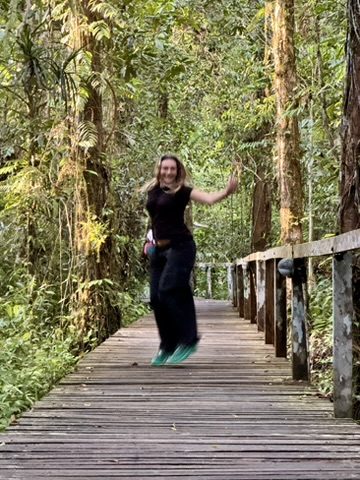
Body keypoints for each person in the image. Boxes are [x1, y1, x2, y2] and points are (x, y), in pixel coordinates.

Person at [143, 154, 238, 366]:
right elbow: (156, 219)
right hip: (158, 249)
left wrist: (226, 192)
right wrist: (149, 241)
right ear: (159, 169)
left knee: (170, 289)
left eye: (172, 169)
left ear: (178, 172)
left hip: (181, 247)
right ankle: (167, 345)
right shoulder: (153, 191)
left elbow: (209, 199)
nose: (168, 172)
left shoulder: (183, 191)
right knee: (156, 298)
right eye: (165, 168)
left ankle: (188, 340)